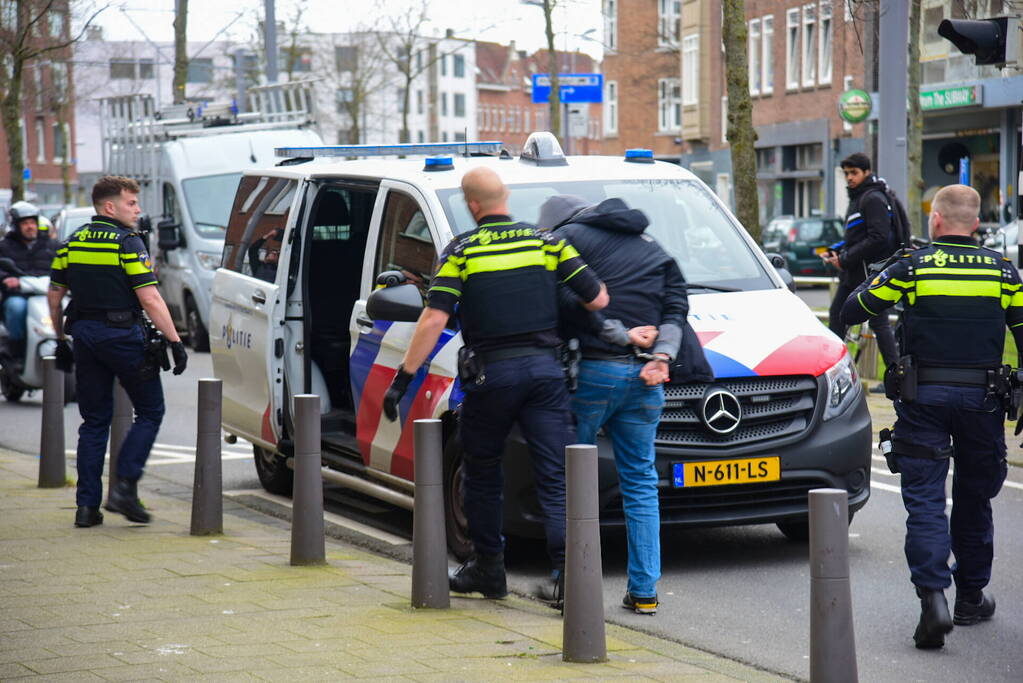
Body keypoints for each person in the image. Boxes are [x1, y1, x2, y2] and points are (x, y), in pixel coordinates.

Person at [381, 167, 608, 599]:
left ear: (472, 205)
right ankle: (567, 580)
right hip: (546, 374)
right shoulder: (548, 243)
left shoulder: (462, 252)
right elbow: (597, 297)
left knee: (482, 473)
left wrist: (404, 378)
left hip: (492, 376)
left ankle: (489, 569)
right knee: (555, 475)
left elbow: (434, 318)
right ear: (505, 198)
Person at [840, 184, 1022, 650]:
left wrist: (879, 277)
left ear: (935, 221)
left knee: (924, 500)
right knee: (975, 498)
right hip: (985, 402)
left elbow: (853, 309)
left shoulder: (913, 268)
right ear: (976, 223)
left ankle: (933, 598)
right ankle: (971, 597)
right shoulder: (1005, 274)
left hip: (923, 401)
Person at [539, 195, 687, 616]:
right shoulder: (654, 248)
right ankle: (644, 591)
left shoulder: (566, 239)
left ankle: (571, 585)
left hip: (591, 374)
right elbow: (677, 308)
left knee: (573, 479)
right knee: (640, 482)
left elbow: (564, 301)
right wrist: (662, 357)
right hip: (647, 378)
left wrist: (616, 334)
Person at [47, 176, 189, 529]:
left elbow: (54, 297)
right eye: (131, 203)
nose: (138, 210)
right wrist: (175, 341)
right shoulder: (127, 244)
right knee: (151, 411)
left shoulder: (71, 243)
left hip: (84, 336)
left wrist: (60, 340)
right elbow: (150, 297)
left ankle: (86, 508)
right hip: (123, 336)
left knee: (94, 422)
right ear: (109, 207)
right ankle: (124, 487)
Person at [824, 153, 900, 376]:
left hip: (868, 273)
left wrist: (845, 258)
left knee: (879, 324)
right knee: (838, 318)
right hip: (854, 273)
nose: (849, 177)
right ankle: (834, 373)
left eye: (854, 173)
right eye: (846, 173)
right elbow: (855, 237)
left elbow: (878, 237)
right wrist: (837, 250)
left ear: (867, 172)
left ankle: (895, 376)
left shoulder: (872, 198)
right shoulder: (859, 197)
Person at [0, 201, 58, 366]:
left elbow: (65, 265)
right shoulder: (5, 247)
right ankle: (17, 352)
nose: (30, 226)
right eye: (25, 223)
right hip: (20, 295)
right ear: (16, 226)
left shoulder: (52, 245)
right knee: (16, 308)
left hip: (49, 293)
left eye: (33, 222)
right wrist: (6, 279)